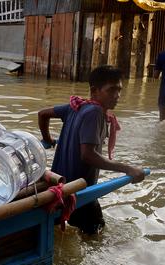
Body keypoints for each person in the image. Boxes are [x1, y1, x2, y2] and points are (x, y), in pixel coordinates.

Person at [38, 65, 146, 235]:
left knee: (63, 233)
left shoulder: (76, 107)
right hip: (80, 194)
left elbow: (42, 114)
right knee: (96, 238)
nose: (117, 96)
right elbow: (88, 155)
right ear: (94, 91)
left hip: (60, 189)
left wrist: (47, 139)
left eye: (119, 90)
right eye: (111, 90)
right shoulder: (94, 112)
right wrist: (128, 169)